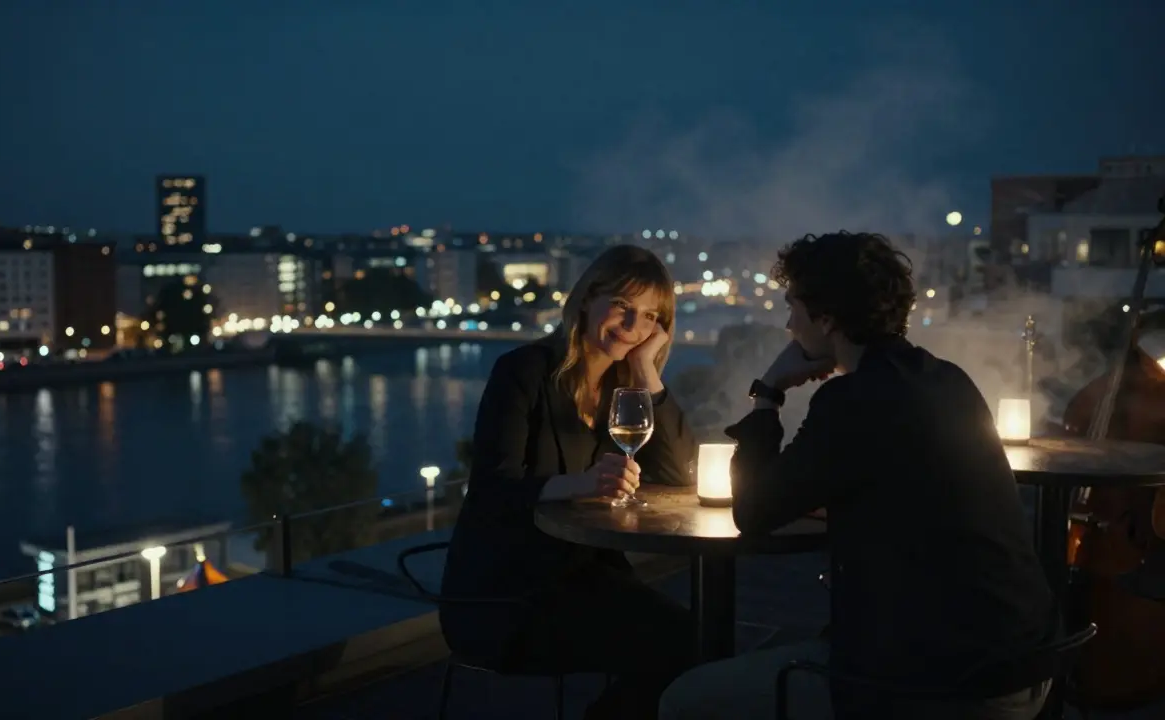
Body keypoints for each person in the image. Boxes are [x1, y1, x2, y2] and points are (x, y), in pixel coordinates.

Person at [660, 231, 1057, 719]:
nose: (788, 323)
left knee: (687, 702)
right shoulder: (946, 378)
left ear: (825, 318)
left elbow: (753, 510)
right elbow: (901, 484)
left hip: (945, 684)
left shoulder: (852, 400)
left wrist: (768, 393)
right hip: (1027, 661)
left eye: (793, 308)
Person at [440, 244, 698, 720]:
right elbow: (493, 490)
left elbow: (682, 476)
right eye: (622, 306)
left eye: (648, 317)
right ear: (586, 298)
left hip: (581, 579)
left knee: (697, 644)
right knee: (684, 649)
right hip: (504, 595)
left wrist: (645, 372)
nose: (631, 326)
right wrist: (580, 483)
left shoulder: (627, 385)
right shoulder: (524, 372)